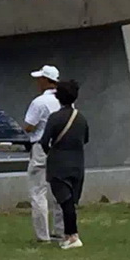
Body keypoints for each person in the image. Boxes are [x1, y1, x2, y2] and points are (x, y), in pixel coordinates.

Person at [40, 80, 88, 250]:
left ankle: (73, 235)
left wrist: (51, 153)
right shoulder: (81, 118)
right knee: (71, 201)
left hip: (59, 164)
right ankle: (68, 235)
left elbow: (44, 141)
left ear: (58, 97)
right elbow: (86, 139)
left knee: (64, 201)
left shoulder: (55, 118)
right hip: (77, 163)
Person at [23, 65, 65, 242]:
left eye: (39, 79)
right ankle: (61, 230)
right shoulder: (64, 101)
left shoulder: (39, 102)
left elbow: (29, 126)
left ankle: (42, 234)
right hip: (60, 147)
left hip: (41, 146)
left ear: (46, 81)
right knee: (60, 190)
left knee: (38, 191)